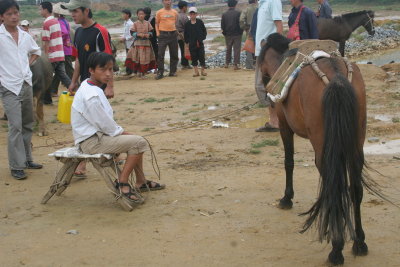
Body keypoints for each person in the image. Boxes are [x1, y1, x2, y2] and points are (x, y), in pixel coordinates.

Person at [71, 52, 165, 201]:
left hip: (97, 136)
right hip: (91, 142)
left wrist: (123, 134)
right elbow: (104, 125)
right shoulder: (91, 95)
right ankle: (122, 182)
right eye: (103, 69)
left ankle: (140, 181)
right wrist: (123, 133)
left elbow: (105, 124)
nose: (108, 74)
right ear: (91, 70)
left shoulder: (89, 85)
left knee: (135, 141)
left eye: (110, 69)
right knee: (138, 142)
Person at [61, 0, 114, 177]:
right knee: (85, 123)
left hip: (99, 87)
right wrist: (73, 81)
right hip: (85, 85)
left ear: (86, 11)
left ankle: (92, 160)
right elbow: (78, 60)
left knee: (98, 122)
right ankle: (85, 162)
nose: (73, 15)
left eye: (75, 11)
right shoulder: (78, 33)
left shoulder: (100, 31)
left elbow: (109, 62)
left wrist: (110, 86)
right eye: (71, 12)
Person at [0, 0, 43, 180]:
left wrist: (27, 65)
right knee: (15, 126)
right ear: (2, 17)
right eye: (9, 14)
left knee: (27, 124)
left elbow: (36, 51)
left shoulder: (25, 36)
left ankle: (26, 159)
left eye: (16, 13)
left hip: (26, 84)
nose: (14, 16)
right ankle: (16, 165)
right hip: (8, 86)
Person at [254, 0, 283, 132]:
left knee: (266, 86)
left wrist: (277, 48)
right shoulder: (262, 4)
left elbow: (279, 25)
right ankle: (274, 121)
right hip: (261, 51)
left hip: (269, 52)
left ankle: (277, 121)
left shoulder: (273, 1)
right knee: (265, 88)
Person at [40, 1, 71, 105]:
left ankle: (47, 100)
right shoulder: (56, 21)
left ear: (45, 10)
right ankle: (75, 91)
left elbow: (46, 42)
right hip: (60, 54)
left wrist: (45, 57)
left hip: (52, 56)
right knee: (63, 76)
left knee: (46, 78)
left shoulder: (46, 23)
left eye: (40, 9)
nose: (39, 11)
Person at [50, 3, 74, 97]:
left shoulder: (59, 21)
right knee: (63, 71)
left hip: (63, 49)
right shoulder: (65, 21)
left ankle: (75, 88)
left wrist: (58, 39)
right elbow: (65, 33)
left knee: (64, 71)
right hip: (66, 49)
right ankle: (53, 90)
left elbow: (63, 33)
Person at [125, 8, 157, 78]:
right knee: (138, 58)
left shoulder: (148, 23)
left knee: (145, 59)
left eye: (142, 14)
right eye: (140, 14)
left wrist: (149, 34)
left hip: (146, 44)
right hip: (138, 44)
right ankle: (139, 72)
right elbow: (132, 32)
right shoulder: (135, 24)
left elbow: (152, 31)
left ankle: (143, 73)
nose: (141, 15)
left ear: (145, 15)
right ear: (137, 15)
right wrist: (137, 34)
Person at [155, 0, 179, 80]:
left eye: (169, 0)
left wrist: (176, 31)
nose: (168, 2)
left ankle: (172, 71)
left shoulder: (175, 12)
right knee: (160, 54)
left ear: (171, 2)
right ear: (163, 2)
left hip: (173, 34)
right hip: (163, 35)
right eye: (166, 1)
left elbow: (176, 23)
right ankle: (160, 72)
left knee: (174, 54)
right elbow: (156, 23)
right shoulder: (159, 12)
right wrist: (158, 33)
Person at [184, 7, 207, 77]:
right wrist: (187, 43)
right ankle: (196, 72)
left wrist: (202, 38)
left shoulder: (200, 22)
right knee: (194, 58)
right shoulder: (187, 24)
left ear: (196, 14)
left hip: (200, 43)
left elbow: (204, 31)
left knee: (202, 57)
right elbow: (186, 34)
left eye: (194, 14)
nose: (192, 15)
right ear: (189, 15)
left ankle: (202, 71)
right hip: (192, 44)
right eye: (191, 14)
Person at [221, 0, 243, 70]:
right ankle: (235, 65)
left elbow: (222, 25)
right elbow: (241, 23)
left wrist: (224, 32)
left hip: (228, 34)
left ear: (228, 5)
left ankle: (227, 63)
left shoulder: (224, 14)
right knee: (237, 49)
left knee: (228, 48)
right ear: (235, 4)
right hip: (237, 34)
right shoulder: (238, 13)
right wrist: (241, 31)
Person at [239, 0, 257, 70]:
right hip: (259, 28)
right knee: (258, 45)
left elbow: (241, 20)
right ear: (255, 1)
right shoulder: (259, 8)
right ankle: (258, 63)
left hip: (249, 29)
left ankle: (249, 65)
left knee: (249, 46)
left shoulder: (246, 9)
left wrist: (244, 27)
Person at [177, 1, 190, 69]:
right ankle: (185, 64)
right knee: (185, 50)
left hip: (177, 35)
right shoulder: (184, 16)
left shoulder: (176, 15)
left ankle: (184, 63)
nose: (187, 8)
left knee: (182, 49)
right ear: (184, 7)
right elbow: (188, 27)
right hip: (183, 35)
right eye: (186, 7)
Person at [120, 9, 134, 75]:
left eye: (123, 14)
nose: (122, 15)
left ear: (127, 15)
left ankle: (130, 71)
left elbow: (132, 35)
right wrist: (123, 37)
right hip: (127, 43)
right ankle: (129, 71)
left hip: (130, 43)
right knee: (128, 57)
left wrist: (125, 38)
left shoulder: (130, 24)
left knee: (130, 57)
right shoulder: (125, 23)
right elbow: (125, 33)